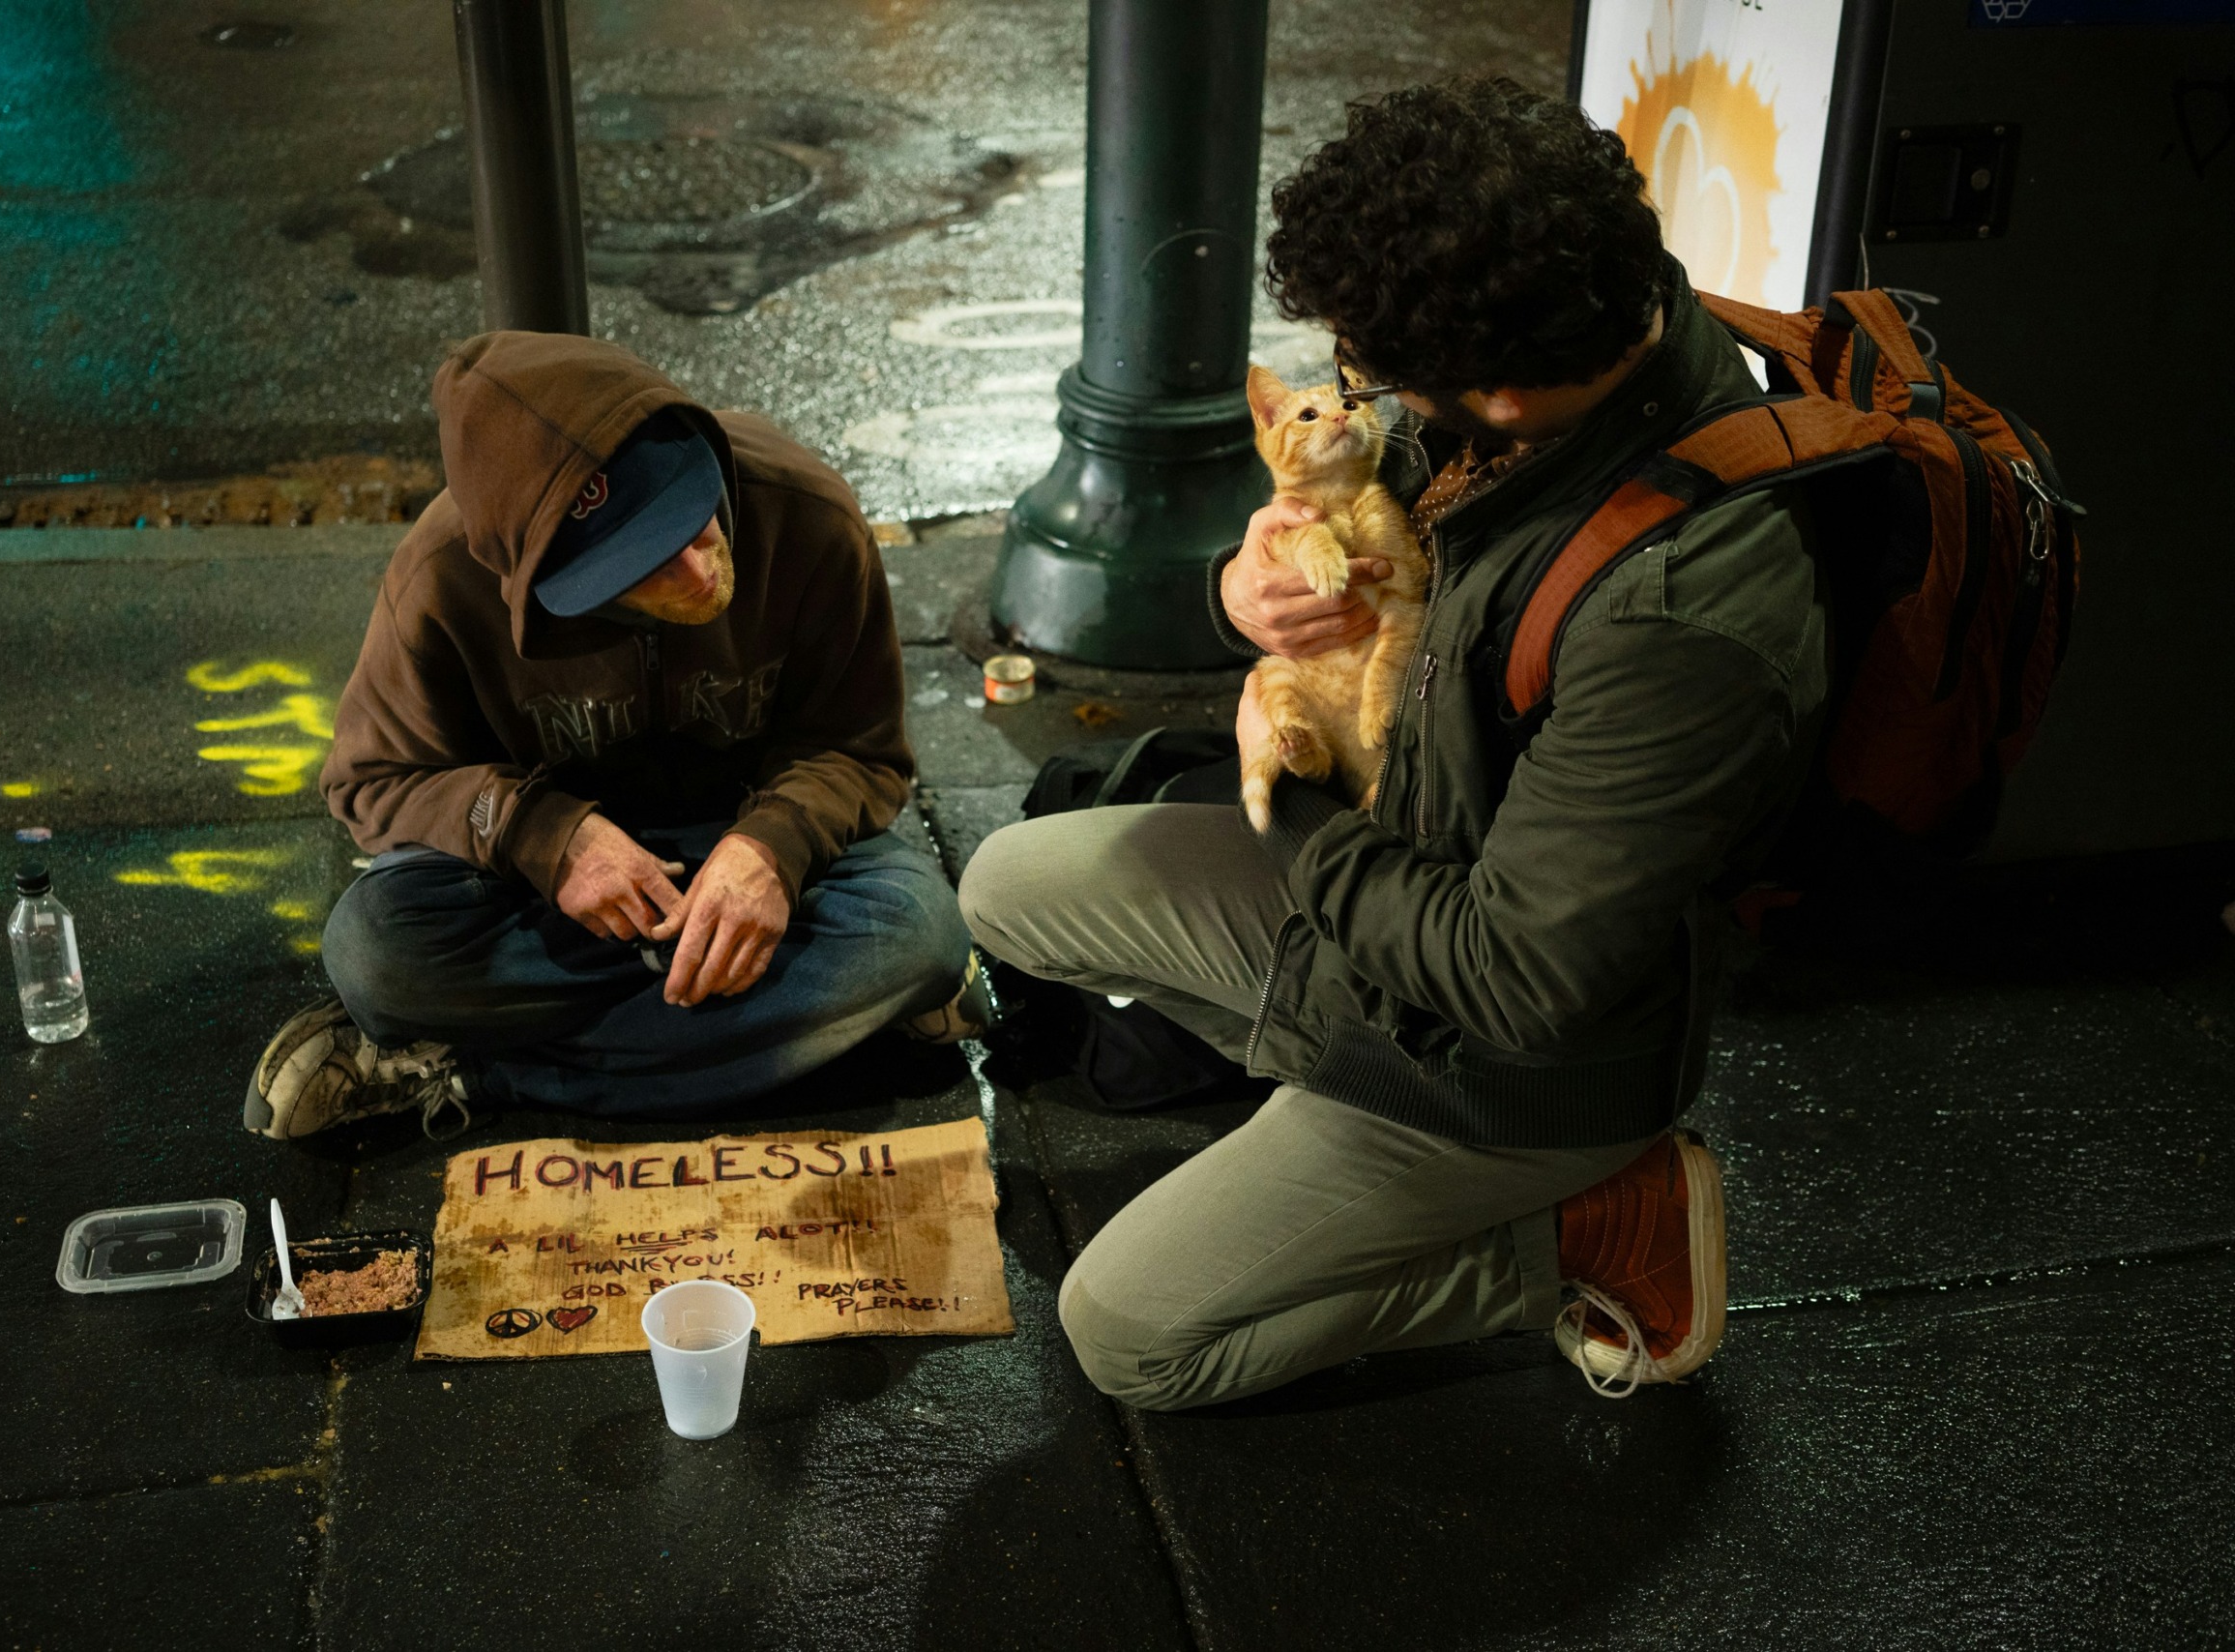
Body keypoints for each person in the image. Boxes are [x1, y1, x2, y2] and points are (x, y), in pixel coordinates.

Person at [962, 76, 1827, 1405]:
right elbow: (1351, 546)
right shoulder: (1564, 330)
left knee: (1131, 1338)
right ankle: (1326, 1111)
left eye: (1374, 377)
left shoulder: (1682, 616)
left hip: (1516, 1061)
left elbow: (1513, 978)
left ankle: (1576, 1232)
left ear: (1492, 388)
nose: (1364, 402)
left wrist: (1285, 788)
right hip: (1398, 867)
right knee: (1004, 889)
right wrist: (1244, 590)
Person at [245, 332, 975, 1141]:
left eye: (696, 522)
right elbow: (369, 781)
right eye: (648, 565)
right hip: (543, 894)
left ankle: (470, 1072)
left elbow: (859, 749)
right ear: (548, 581)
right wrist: (540, 833)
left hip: (750, 840)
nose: (702, 574)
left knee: (922, 935)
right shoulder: (444, 576)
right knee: (376, 954)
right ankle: (810, 1033)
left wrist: (773, 847)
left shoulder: (808, 511)